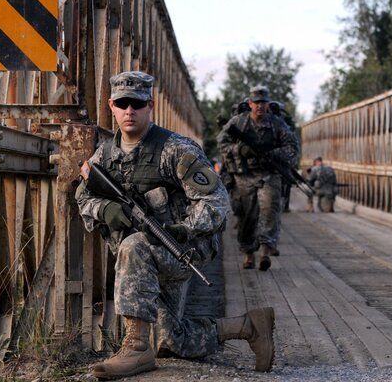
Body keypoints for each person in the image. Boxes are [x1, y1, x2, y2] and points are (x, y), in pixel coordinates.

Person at [76, 71, 275, 379]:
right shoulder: (105, 154)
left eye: (138, 104)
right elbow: (83, 197)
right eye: (122, 103)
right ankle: (248, 326)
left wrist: (184, 229)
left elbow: (216, 202)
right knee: (170, 339)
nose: (130, 111)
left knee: (133, 246)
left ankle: (135, 350)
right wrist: (105, 209)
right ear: (111, 106)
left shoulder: (175, 149)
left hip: (184, 249)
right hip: (150, 260)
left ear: (151, 105)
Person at [217, 85, 299, 271]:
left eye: (263, 103)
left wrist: (273, 154)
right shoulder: (239, 123)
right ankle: (248, 252)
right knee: (247, 216)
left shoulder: (277, 124)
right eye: (256, 103)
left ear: (268, 105)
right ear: (250, 104)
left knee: (270, 211)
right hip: (244, 176)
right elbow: (222, 142)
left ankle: (265, 251)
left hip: (269, 174)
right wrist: (239, 150)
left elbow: (292, 147)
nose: (260, 107)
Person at [268, 101, 297, 213]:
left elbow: (291, 139)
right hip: (269, 154)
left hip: (281, 154)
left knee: (287, 179)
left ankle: (284, 204)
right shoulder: (266, 119)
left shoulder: (284, 122)